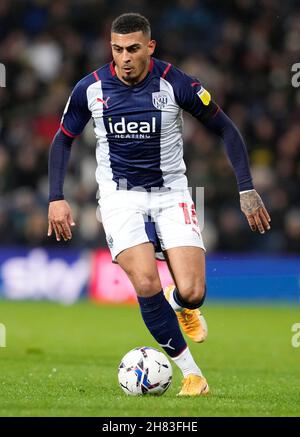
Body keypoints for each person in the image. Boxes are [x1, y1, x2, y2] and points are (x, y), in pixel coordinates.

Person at [47, 13, 271, 396]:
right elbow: (62, 139)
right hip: (120, 197)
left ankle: (181, 303)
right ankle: (192, 374)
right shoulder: (91, 88)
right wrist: (56, 198)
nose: (125, 58)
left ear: (150, 47)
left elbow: (226, 129)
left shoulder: (177, 83)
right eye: (117, 50)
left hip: (171, 194)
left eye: (133, 49)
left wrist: (246, 188)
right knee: (146, 280)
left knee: (194, 291)